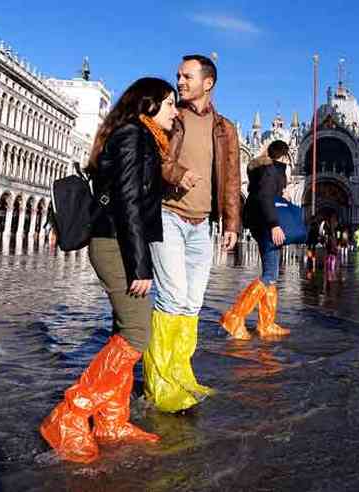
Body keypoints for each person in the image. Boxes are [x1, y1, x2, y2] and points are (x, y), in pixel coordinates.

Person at [39, 78, 177, 463]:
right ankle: (70, 414)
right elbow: (128, 202)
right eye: (169, 103)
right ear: (148, 105)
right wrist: (139, 264)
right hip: (116, 243)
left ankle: (112, 420)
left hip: (118, 241)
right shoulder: (134, 136)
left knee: (124, 328)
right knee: (137, 332)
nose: (174, 111)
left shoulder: (133, 136)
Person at [143, 54, 241, 413]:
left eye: (187, 76)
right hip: (168, 214)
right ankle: (159, 383)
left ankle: (181, 373)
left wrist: (231, 223)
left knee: (192, 301)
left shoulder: (225, 127)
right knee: (171, 297)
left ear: (208, 82)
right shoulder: (171, 115)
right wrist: (176, 173)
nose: (180, 81)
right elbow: (152, 156)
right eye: (178, 75)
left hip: (202, 224)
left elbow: (230, 178)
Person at [219, 140, 291, 340]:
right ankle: (235, 317)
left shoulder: (264, 170)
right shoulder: (270, 171)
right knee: (269, 274)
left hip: (261, 223)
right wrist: (274, 224)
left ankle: (266, 323)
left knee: (272, 274)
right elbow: (266, 198)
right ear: (285, 156)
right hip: (267, 225)